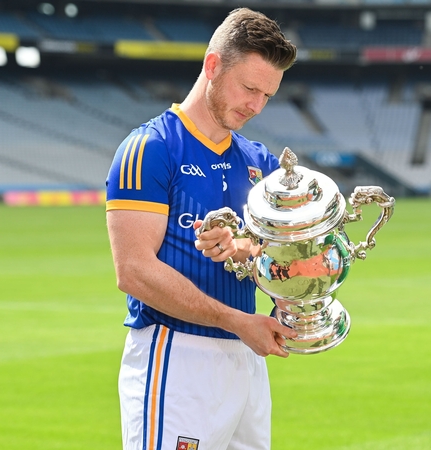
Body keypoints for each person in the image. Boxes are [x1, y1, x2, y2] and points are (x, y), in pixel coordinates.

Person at [105, 8, 298, 450]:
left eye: (267, 95)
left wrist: (248, 249)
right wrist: (237, 321)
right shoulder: (150, 148)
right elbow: (133, 271)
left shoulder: (260, 162)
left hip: (247, 360)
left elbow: (287, 252)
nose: (256, 106)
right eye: (249, 88)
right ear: (213, 65)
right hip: (177, 357)